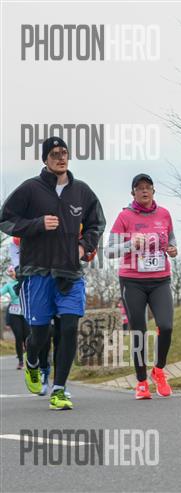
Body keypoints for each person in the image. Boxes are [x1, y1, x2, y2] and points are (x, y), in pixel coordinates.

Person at [0, 136, 105, 410]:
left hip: (70, 273)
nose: (61, 158)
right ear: (45, 159)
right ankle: (33, 361)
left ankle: (59, 390)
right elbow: (5, 219)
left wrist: (83, 247)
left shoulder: (81, 191)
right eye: (55, 154)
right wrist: (36, 224)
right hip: (37, 273)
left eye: (64, 153)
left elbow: (96, 223)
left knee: (69, 328)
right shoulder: (30, 189)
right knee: (40, 334)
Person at [107, 173, 177, 399]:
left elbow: (171, 240)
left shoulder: (164, 214)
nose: (144, 190)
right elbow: (109, 251)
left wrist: (173, 249)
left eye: (148, 187)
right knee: (139, 331)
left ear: (154, 191)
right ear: (133, 193)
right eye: (139, 188)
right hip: (132, 281)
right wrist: (129, 244)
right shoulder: (124, 217)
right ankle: (141, 381)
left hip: (160, 280)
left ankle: (158, 370)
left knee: (166, 326)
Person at [1, 266, 29, 369]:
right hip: (14, 313)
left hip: (26, 312)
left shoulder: (26, 281)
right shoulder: (9, 285)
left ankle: (29, 359)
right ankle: (21, 361)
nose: (12, 273)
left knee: (27, 336)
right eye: (10, 272)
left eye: (13, 271)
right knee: (18, 336)